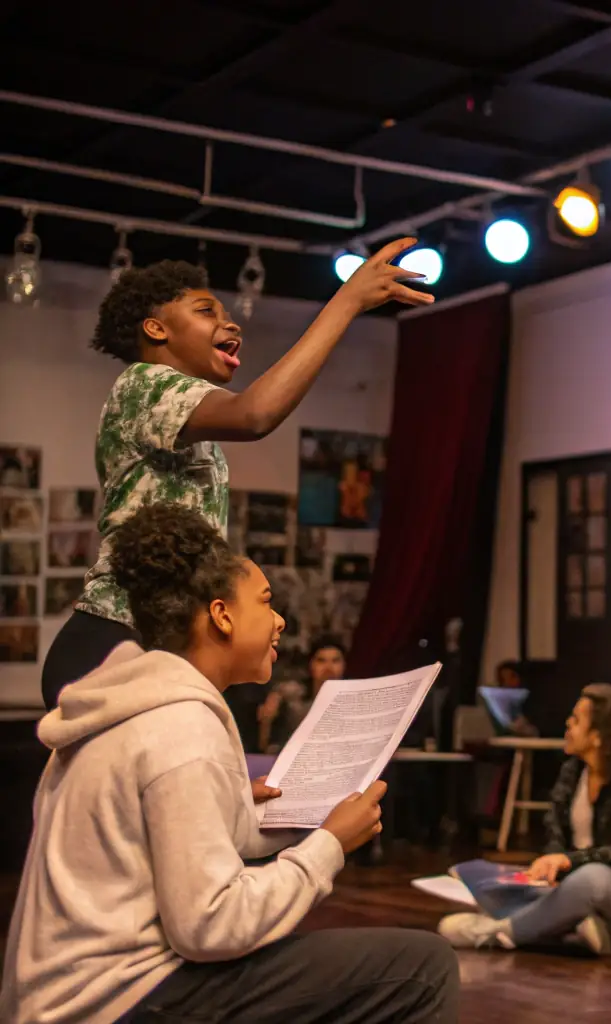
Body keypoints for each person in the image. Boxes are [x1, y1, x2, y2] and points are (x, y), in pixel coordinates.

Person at [0, 503, 459, 1023]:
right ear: (221, 615)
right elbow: (210, 924)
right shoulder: (180, 727)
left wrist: (266, 809)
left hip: (59, 1001)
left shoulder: (124, 706)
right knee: (423, 967)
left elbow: (175, 849)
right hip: (112, 1003)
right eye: (266, 602)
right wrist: (328, 846)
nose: (280, 619)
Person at [39, 239, 433, 709]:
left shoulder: (183, 417)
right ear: (156, 328)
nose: (230, 322)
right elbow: (256, 414)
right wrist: (346, 302)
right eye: (206, 311)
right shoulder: (142, 384)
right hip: (117, 642)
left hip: (157, 648)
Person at [438, 683, 611, 956]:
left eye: (576, 720)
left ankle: (497, 932)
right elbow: (555, 830)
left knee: (591, 879)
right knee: (489, 879)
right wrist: (551, 867)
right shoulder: (573, 771)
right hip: (571, 887)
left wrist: (566, 861)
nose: (568, 723)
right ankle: (575, 926)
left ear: (599, 736)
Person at [258, 637, 347, 753]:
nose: (328, 667)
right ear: (311, 665)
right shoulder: (289, 695)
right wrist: (266, 722)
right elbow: (264, 746)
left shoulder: (354, 701)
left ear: (344, 665)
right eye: (321, 660)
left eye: (335, 661)